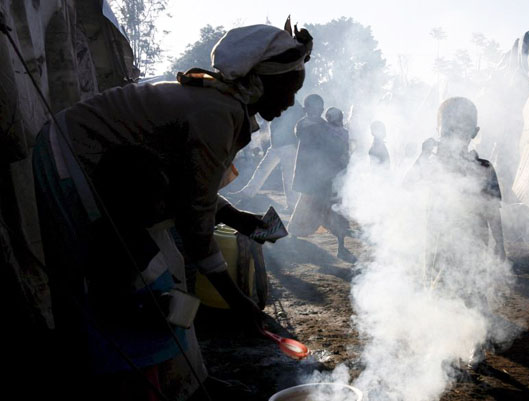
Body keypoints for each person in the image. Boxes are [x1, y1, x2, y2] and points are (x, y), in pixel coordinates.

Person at [32, 22, 312, 401]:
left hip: (126, 186)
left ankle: (185, 381)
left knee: (166, 281)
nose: (292, 102)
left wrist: (236, 218)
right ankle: (125, 382)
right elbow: (194, 218)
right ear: (260, 81)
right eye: (289, 91)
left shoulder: (219, 103)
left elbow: (192, 192)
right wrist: (238, 302)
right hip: (73, 159)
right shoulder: (216, 112)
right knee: (119, 283)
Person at [405, 97, 506, 366]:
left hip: (473, 242)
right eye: (449, 130)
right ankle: (444, 345)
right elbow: (407, 187)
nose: (455, 137)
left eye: (462, 131)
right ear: (438, 131)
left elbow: (493, 211)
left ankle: (475, 345)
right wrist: (422, 156)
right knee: (438, 291)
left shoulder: (484, 168)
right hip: (437, 242)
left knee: (473, 292)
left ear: (474, 133)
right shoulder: (432, 164)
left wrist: (500, 247)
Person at [288, 98, 356, 263]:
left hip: (327, 177)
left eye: (320, 108)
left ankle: (341, 246)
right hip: (313, 178)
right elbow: (315, 141)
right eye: (314, 108)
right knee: (306, 208)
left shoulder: (324, 126)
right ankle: (293, 240)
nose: (317, 111)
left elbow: (337, 145)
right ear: (306, 108)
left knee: (335, 210)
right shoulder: (304, 125)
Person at [232, 100, 304, 212]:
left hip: (288, 145)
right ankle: (247, 193)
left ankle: (292, 206)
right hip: (276, 145)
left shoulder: (293, 104)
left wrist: (295, 143)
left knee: (288, 176)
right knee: (263, 169)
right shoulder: (281, 101)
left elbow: (299, 123)